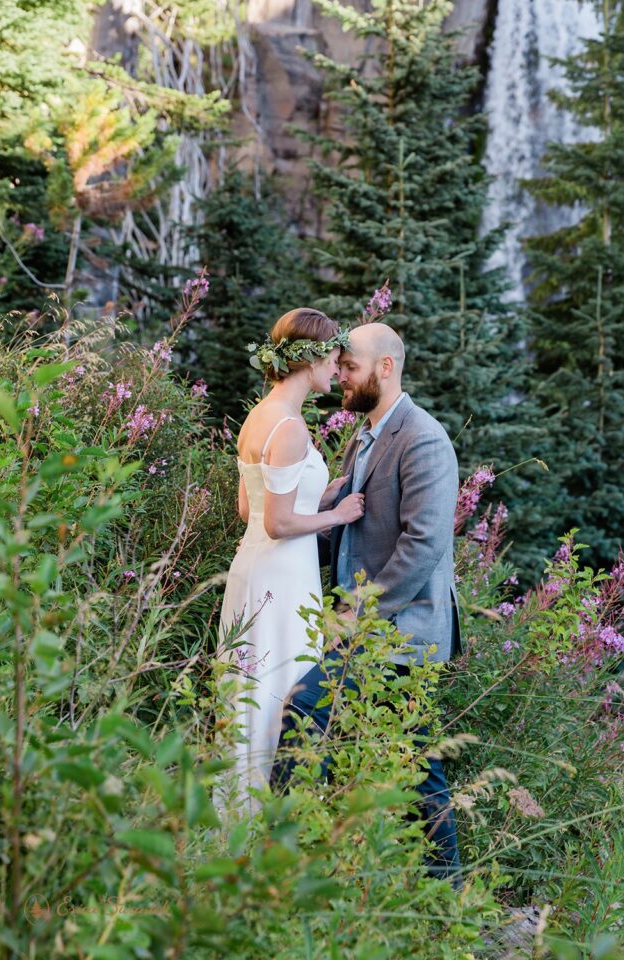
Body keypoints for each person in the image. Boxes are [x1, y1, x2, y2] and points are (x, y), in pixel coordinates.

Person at [270, 322, 462, 880]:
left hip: (403, 628)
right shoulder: (365, 435)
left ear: (385, 367)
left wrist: (357, 613)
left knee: (307, 710)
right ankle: (427, 890)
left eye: (350, 365)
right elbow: (344, 524)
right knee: (412, 764)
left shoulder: (422, 437)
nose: (342, 375)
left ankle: (286, 863)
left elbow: (424, 543)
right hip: (370, 628)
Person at [219, 308, 365, 814]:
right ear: (313, 358)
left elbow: (248, 507)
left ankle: (239, 809)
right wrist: (337, 514)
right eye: (334, 358)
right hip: (281, 576)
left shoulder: (259, 418)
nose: (338, 369)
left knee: (250, 684)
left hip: (253, 570)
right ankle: (269, 816)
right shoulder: (293, 430)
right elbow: (276, 524)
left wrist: (315, 498)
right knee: (283, 681)